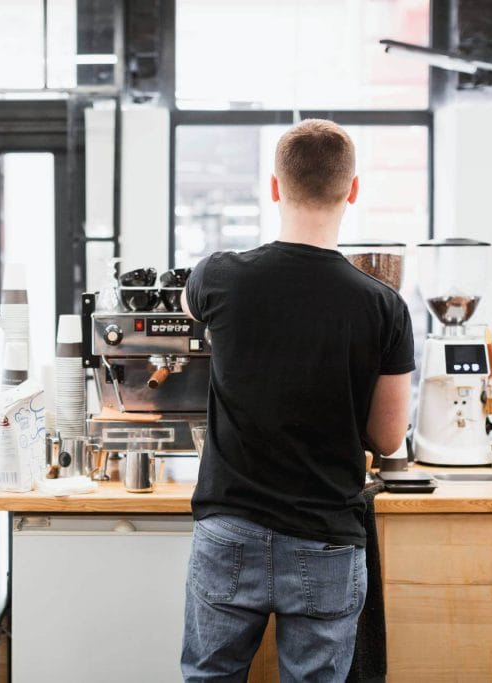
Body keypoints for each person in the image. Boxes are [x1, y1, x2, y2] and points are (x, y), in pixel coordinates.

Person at [180, 119, 414, 682]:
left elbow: (190, 315)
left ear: (275, 187)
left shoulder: (218, 276)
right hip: (325, 538)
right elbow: (387, 438)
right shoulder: (383, 306)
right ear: (352, 190)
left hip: (230, 529)